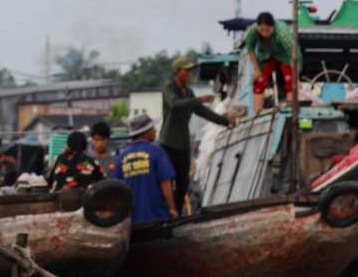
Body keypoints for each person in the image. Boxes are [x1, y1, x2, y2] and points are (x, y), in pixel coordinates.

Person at [159, 56, 232, 215]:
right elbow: (175, 104)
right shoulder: (168, 87)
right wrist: (199, 99)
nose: (190, 73)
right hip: (169, 143)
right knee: (169, 182)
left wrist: (226, 121)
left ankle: (177, 213)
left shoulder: (188, 92)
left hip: (184, 144)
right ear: (178, 72)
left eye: (190, 70)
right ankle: (168, 213)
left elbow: (202, 111)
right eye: (187, 70)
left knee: (183, 183)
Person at [113, 114, 178, 223]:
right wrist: (172, 208)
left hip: (132, 221)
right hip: (157, 218)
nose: (155, 131)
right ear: (145, 132)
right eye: (152, 129)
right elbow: (166, 183)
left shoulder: (122, 157)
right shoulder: (157, 151)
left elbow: (118, 190)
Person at [244, 11, 302, 112]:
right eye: (261, 30)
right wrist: (257, 69)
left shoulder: (283, 34)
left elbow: (294, 55)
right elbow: (251, 50)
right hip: (266, 55)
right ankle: (257, 112)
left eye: (268, 30)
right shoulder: (252, 31)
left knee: (290, 81)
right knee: (259, 81)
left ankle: (291, 108)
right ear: (257, 27)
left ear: (273, 27)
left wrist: (296, 75)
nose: (264, 33)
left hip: (285, 56)